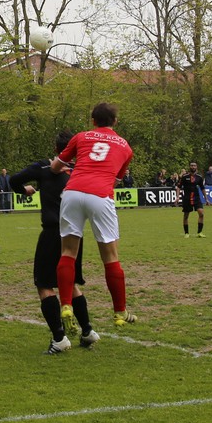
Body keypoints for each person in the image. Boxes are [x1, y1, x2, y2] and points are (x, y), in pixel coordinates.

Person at [51, 102, 136, 334]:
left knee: (68, 252)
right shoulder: (125, 147)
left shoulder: (81, 137)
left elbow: (56, 166)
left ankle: (66, 305)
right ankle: (120, 312)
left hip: (72, 192)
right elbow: (116, 180)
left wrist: (60, 167)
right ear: (115, 122)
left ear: (93, 120)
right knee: (110, 257)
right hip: (100, 195)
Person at [11, 132, 100, 354]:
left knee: (44, 284)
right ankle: (87, 331)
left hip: (53, 232)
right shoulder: (80, 170)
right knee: (70, 283)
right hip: (75, 234)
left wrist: (25, 190)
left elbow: (14, 180)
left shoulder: (43, 167)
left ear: (55, 148)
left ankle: (59, 339)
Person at [179, 161, 208, 238]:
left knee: (201, 213)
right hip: (187, 198)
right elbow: (178, 187)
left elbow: (202, 188)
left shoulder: (199, 177)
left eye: (194, 165)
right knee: (186, 216)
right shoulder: (184, 177)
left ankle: (199, 232)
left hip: (196, 198)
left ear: (196, 167)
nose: (193, 167)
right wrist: (177, 197)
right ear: (189, 167)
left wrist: (206, 198)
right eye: (191, 165)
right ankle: (186, 233)